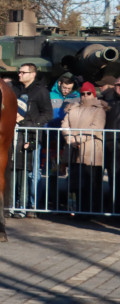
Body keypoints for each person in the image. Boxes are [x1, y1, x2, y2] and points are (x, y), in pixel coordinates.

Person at [12, 63, 53, 217]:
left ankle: (32, 206)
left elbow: (48, 114)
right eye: (19, 71)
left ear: (33, 74)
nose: (19, 74)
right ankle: (15, 204)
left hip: (32, 135)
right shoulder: (14, 89)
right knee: (15, 170)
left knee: (32, 173)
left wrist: (32, 125)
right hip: (15, 135)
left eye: (23, 72)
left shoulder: (41, 91)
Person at [61, 82, 107, 213]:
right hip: (74, 150)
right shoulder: (73, 108)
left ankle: (92, 211)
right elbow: (65, 124)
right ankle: (79, 210)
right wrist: (70, 139)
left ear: (93, 94)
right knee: (76, 183)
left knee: (91, 184)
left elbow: (96, 128)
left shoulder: (99, 109)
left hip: (91, 151)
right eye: (82, 93)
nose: (85, 96)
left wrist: (76, 139)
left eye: (88, 93)